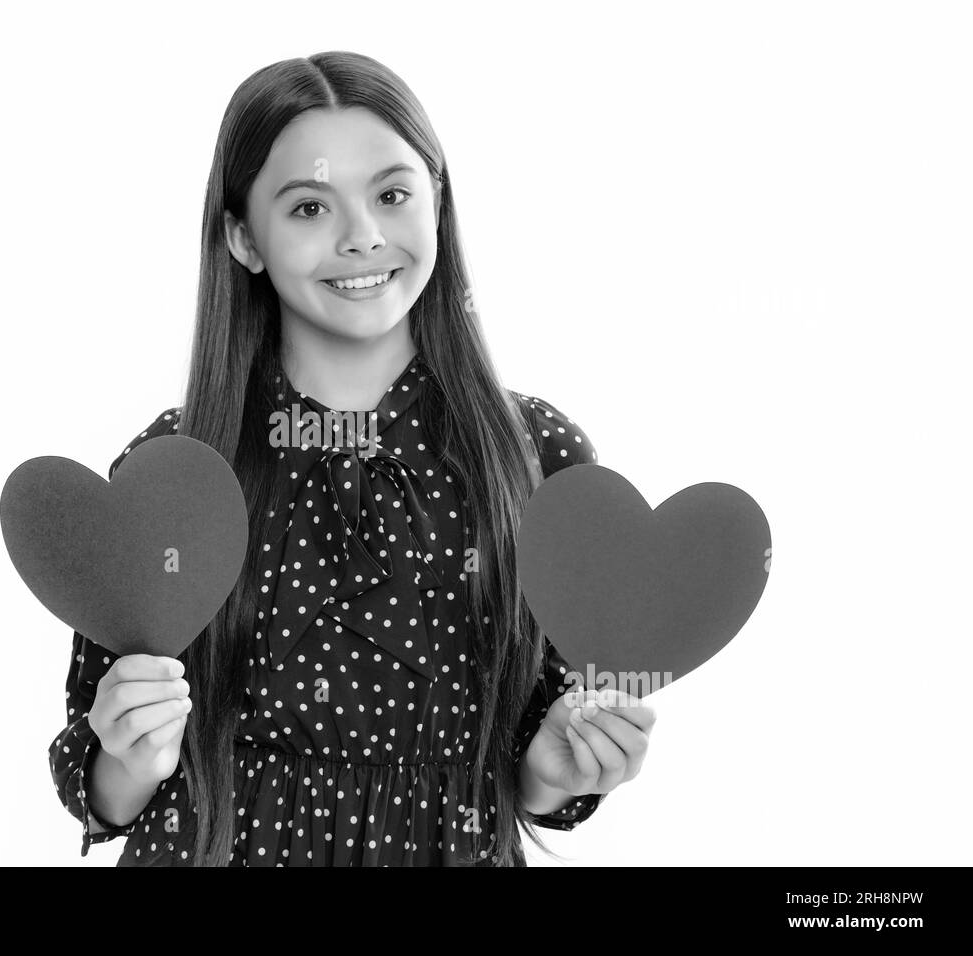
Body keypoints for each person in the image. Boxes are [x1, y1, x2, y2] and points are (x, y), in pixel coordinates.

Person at [48, 50, 655, 866]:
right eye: (307, 208)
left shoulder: (535, 456)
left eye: (393, 194)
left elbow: (543, 747)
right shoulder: (175, 466)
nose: (363, 236)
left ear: (437, 201)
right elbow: (98, 782)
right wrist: (128, 756)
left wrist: (552, 774)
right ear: (243, 238)